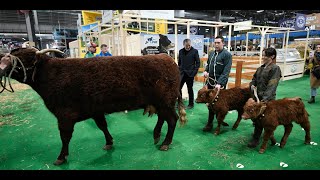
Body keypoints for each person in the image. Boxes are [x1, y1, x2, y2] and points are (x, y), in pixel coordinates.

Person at [247, 47, 282, 148]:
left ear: (272, 56)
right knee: (257, 119)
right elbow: (254, 78)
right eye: (263, 55)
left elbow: (272, 85)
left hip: (268, 100)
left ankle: (260, 138)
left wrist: (264, 100)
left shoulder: (275, 69)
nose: (263, 57)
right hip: (258, 98)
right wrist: (252, 84)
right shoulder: (261, 68)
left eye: (265, 55)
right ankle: (258, 136)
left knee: (265, 119)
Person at [178, 38, 200, 109]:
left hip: (190, 74)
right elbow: (179, 62)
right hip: (181, 74)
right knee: (178, 88)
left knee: (190, 89)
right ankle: (180, 103)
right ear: (183, 45)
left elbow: (198, 62)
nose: (188, 47)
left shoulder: (195, 51)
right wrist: (179, 70)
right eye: (186, 46)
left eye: (189, 45)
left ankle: (191, 104)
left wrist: (194, 72)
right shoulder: (180, 51)